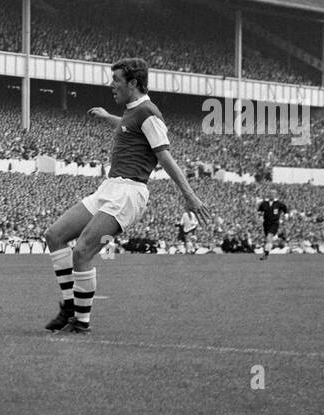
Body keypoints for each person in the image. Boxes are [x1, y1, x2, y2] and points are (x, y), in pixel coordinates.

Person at [42, 59, 211, 334]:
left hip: (129, 192)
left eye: (116, 80)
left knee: (82, 251)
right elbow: (128, 127)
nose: (112, 85)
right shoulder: (135, 112)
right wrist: (108, 117)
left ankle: (80, 322)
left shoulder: (149, 113)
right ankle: (70, 306)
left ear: (133, 83)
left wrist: (189, 195)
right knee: (54, 235)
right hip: (109, 187)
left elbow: (164, 156)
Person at [256, 189, 289, 260]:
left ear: (276, 195)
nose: (272, 195)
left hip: (274, 223)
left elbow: (285, 209)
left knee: (269, 237)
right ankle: (266, 253)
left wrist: (286, 216)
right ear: (269, 194)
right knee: (267, 239)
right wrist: (260, 216)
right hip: (266, 223)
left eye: (273, 193)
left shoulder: (279, 204)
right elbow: (259, 211)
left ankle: (266, 254)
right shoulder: (264, 203)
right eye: (271, 193)